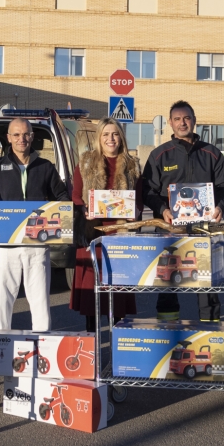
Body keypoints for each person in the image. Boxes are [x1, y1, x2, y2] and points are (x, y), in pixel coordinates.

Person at [139, 101, 224, 321]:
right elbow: (147, 191)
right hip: (169, 231)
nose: (182, 123)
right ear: (170, 124)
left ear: (194, 120)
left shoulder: (211, 153)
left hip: (205, 231)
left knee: (207, 288)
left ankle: (209, 334)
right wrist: (163, 209)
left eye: (187, 118)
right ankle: (168, 337)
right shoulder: (159, 155)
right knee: (167, 285)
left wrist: (220, 206)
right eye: (177, 119)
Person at [0, 118, 71, 331]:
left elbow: (62, 195)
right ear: (8, 138)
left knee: (40, 301)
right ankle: (2, 343)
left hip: (37, 245)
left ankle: (42, 345)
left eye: (26, 134)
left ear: (32, 137)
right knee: (3, 301)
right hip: (5, 246)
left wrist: (63, 211)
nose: (21, 139)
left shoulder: (45, 167)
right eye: (16, 135)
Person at [70, 117, 140, 332]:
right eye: (106, 134)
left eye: (115, 134)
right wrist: (84, 210)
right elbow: (75, 197)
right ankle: (93, 348)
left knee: (117, 296)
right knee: (92, 296)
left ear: (121, 137)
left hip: (119, 236)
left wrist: (135, 212)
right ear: (99, 138)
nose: (111, 139)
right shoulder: (85, 162)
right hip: (93, 236)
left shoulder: (132, 164)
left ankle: (119, 348)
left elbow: (140, 197)